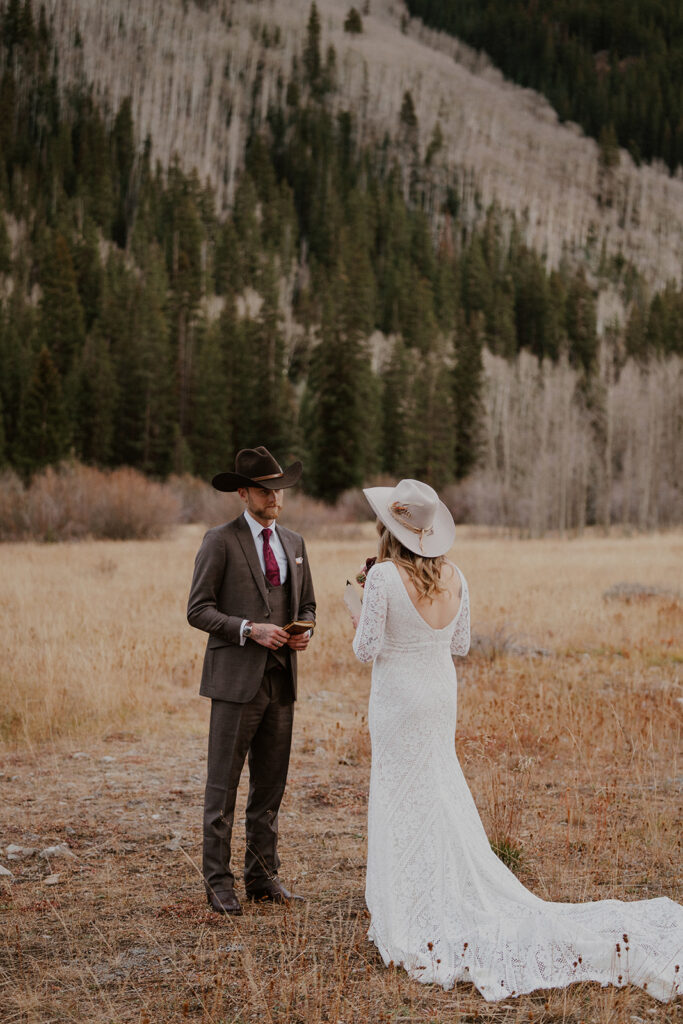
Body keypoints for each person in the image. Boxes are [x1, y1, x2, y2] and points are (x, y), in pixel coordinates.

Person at [351, 478, 682, 1002]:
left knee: (402, 792)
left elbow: (366, 648)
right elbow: (457, 642)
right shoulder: (457, 576)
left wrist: (361, 600)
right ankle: (440, 884)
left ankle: (414, 904)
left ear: (387, 531)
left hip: (398, 700)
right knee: (438, 783)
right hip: (439, 694)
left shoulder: (383, 578)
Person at [188, 446, 316, 915]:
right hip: (235, 682)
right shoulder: (218, 541)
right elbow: (197, 610)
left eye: (279, 489)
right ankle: (218, 882)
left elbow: (308, 605)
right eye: (265, 490)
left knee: (270, 786)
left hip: (282, 682)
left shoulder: (297, 544)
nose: (275, 498)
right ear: (243, 493)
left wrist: (304, 630)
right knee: (222, 786)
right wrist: (248, 629)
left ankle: (263, 876)